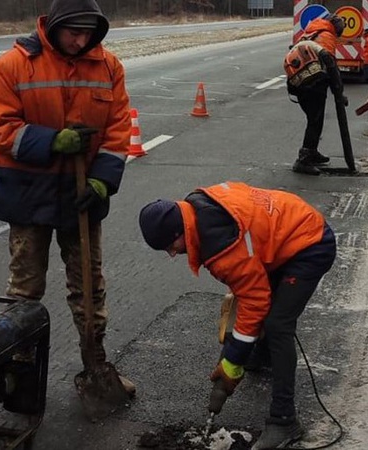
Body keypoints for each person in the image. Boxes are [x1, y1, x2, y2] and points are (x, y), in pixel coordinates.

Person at [0, 0, 134, 395]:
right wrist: (52, 141)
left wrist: (102, 180)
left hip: (82, 194)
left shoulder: (108, 67)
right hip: (29, 194)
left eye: (88, 33)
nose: (80, 41)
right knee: (25, 287)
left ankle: (95, 364)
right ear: (55, 26)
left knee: (89, 284)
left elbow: (118, 130)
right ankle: (18, 366)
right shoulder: (13, 65)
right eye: (73, 32)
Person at [138, 181, 336, 449]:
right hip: (285, 231)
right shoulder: (200, 204)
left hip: (309, 244)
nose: (172, 253)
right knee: (263, 306)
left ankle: (284, 420)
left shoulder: (224, 249)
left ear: (180, 229)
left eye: (170, 245)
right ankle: (263, 355)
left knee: (279, 325)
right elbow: (249, 281)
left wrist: (233, 359)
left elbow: (254, 301)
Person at [286, 14, 348, 176]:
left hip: (299, 83)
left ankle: (312, 151)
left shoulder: (312, 32)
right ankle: (303, 160)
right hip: (311, 84)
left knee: (315, 119)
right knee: (314, 121)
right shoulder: (327, 36)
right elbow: (331, 66)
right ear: (336, 28)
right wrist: (339, 93)